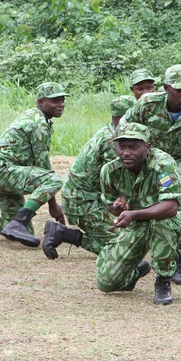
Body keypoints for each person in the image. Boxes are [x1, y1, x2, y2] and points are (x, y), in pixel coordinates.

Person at [121, 64, 181, 285]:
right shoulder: (147, 104)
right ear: (166, 88)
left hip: (176, 163)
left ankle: (178, 263)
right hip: (145, 160)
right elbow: (123, 129)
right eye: (180, 90)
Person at [0, 82, 67, 248]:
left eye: (62, 100)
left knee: (23, 234)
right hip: (4, 173)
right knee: (55, 179)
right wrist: (53, 205)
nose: (61, 105)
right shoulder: (40, 124)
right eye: (55, 101)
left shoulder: (31, 115)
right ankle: (20, 221)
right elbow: (43, 166)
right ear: (41, 102)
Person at [96, 122, 181, 305]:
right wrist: (117, 207)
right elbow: (109, 204)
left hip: (166, 220)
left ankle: (163, 281)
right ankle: (135, 270)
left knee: (162, 224)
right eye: (122, 147)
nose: (126, 152)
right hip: (137, 224)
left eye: (133, 147)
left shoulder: (162, 165)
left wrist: (134, 214)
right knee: (106, 283)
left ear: (147, 147)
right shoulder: (111, 171)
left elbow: (171, 206)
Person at [41, 95, 136, 260]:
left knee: (130, 236)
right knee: (124, 247)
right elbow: (117, 181)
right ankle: (64, 234)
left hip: (85, 197)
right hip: (83, 201)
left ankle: (63, 233)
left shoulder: (109, 130)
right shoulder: (113, 141)